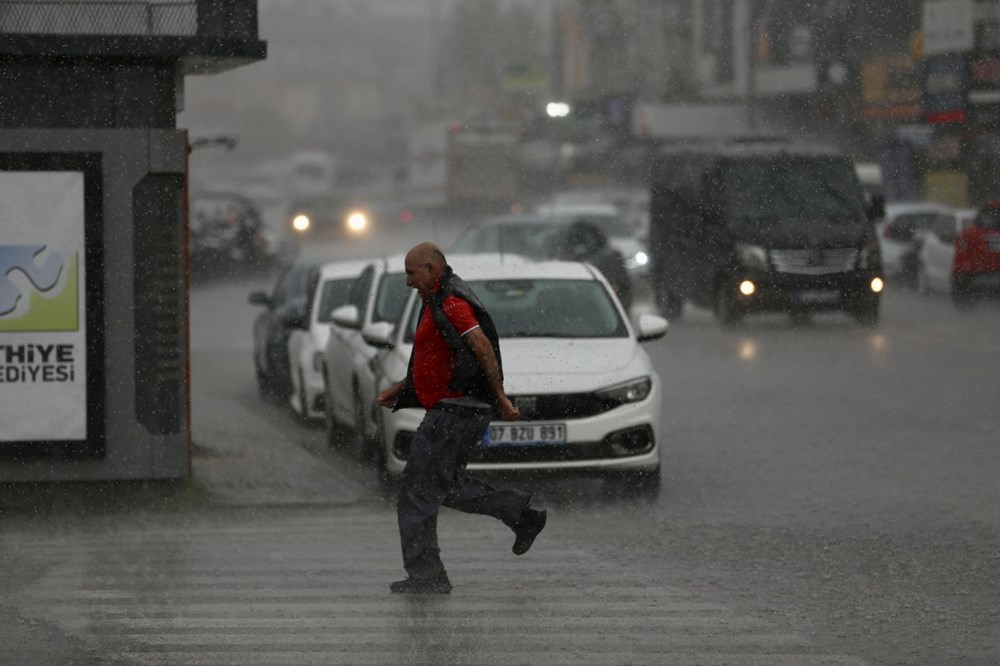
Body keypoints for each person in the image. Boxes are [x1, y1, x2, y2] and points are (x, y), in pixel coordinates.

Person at [376, 242, 548, 594]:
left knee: (416, 491)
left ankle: (427, 575)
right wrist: (402, 387)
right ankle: (521, 514)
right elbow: (436, 358)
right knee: (444, 487)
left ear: (431, 269)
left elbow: (482, 347)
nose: (407, 282)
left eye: (411, 273)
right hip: (453, 411)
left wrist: (500, 397)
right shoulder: (435, 299)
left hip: (455, 413)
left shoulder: (452, 301)